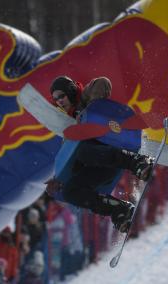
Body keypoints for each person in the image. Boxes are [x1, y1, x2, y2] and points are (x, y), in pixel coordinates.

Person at [45, 76, 154, 232]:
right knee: (71, 191)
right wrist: (59, 177)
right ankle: (118, 209)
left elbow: (102, 82)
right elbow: (69, 151)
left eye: (61, 96)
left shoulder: (83, 98)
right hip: (99, 166)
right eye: (56, 99)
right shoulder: (69, 123)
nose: (59, 101)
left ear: (70, 91)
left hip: (110, 149)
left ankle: (136, 161)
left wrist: (90, 113)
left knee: (83, 150)